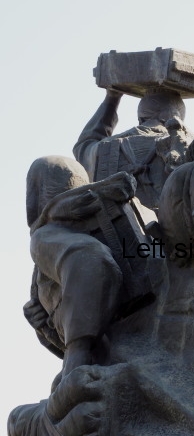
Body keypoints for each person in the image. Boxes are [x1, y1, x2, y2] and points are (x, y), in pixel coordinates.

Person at [25, 155, 136, 374]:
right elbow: (67, 338)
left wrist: (78, 349)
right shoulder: (48, 244)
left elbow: (91, 260)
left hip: (106, 355)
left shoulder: (45, 237)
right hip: (103, 356)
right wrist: (43, 326)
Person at [73, 88, 193, 214]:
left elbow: (83, 146)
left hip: (121, 224)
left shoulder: (106, 147)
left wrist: (112, 99)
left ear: (141, 118)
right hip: (175, 222)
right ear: (178, 119)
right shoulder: (191, 146)